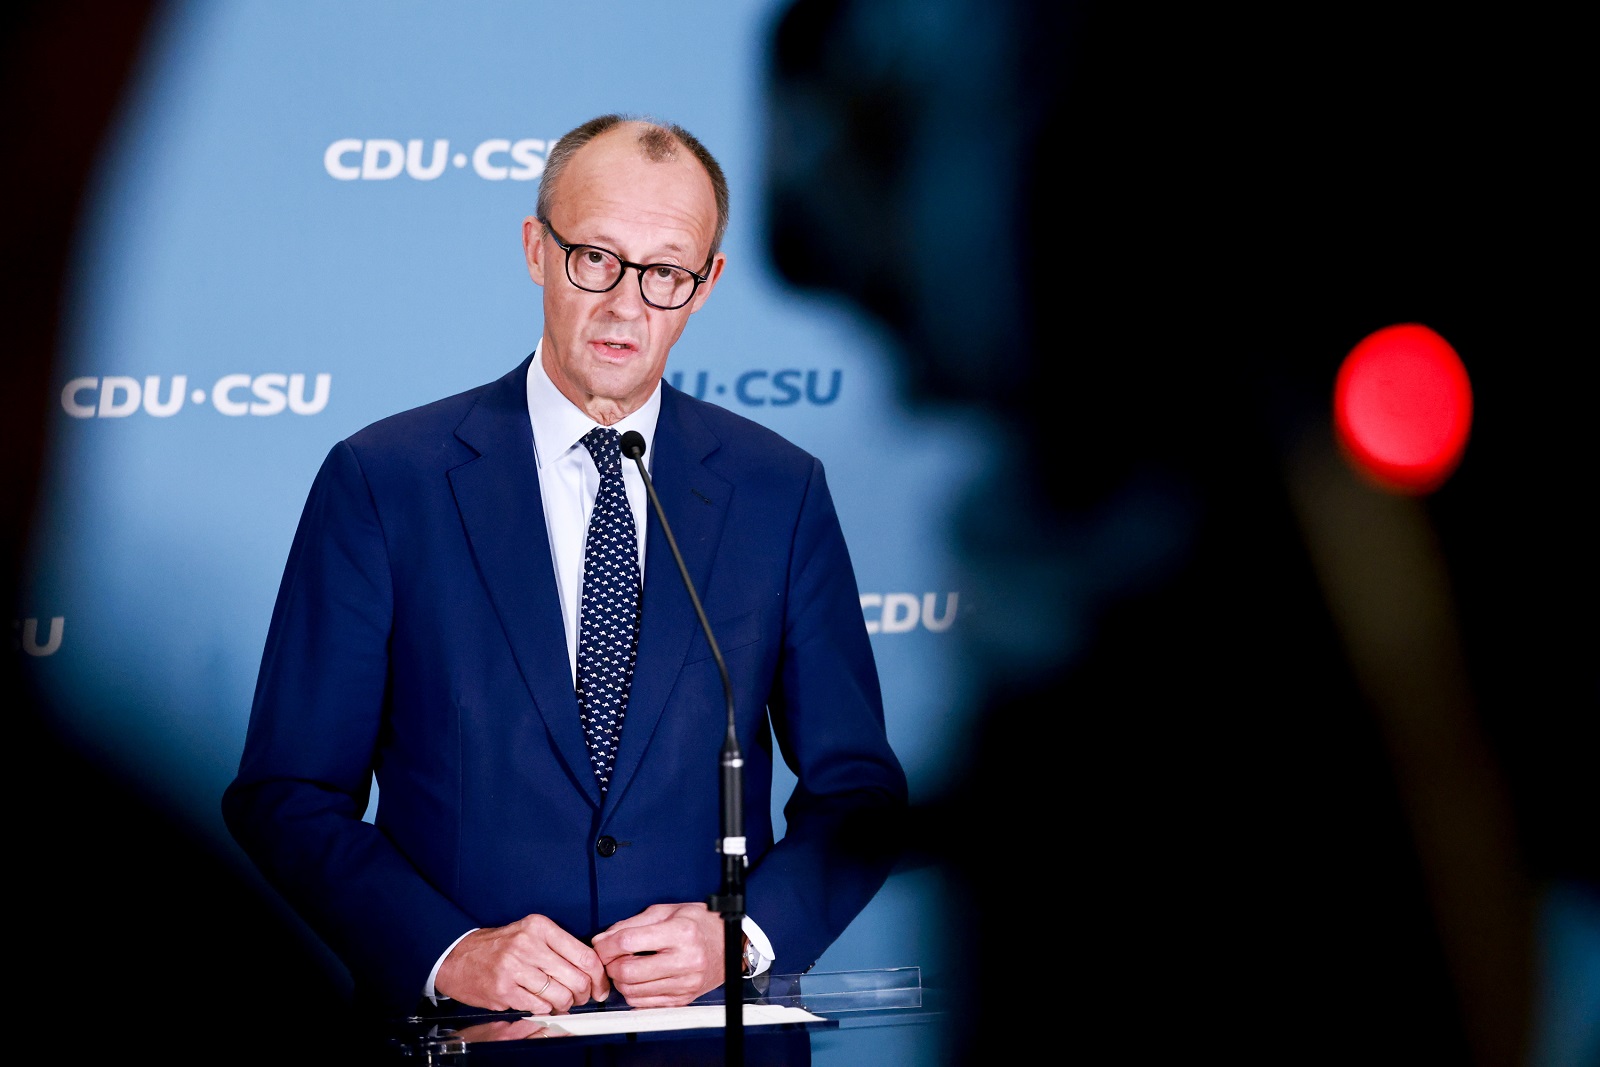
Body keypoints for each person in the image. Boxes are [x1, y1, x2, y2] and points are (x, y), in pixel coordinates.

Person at [221, 113, 908, 1024]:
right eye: (597, 258)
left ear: (705, 287)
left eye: (664, 272)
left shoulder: (779, 491)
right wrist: (449, 951)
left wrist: (744, 935)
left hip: (704, 1048)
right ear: (537, 250)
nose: (627, 304)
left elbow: (858, 795)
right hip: (462, 1044)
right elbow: (288, 793)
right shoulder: (386, 480)